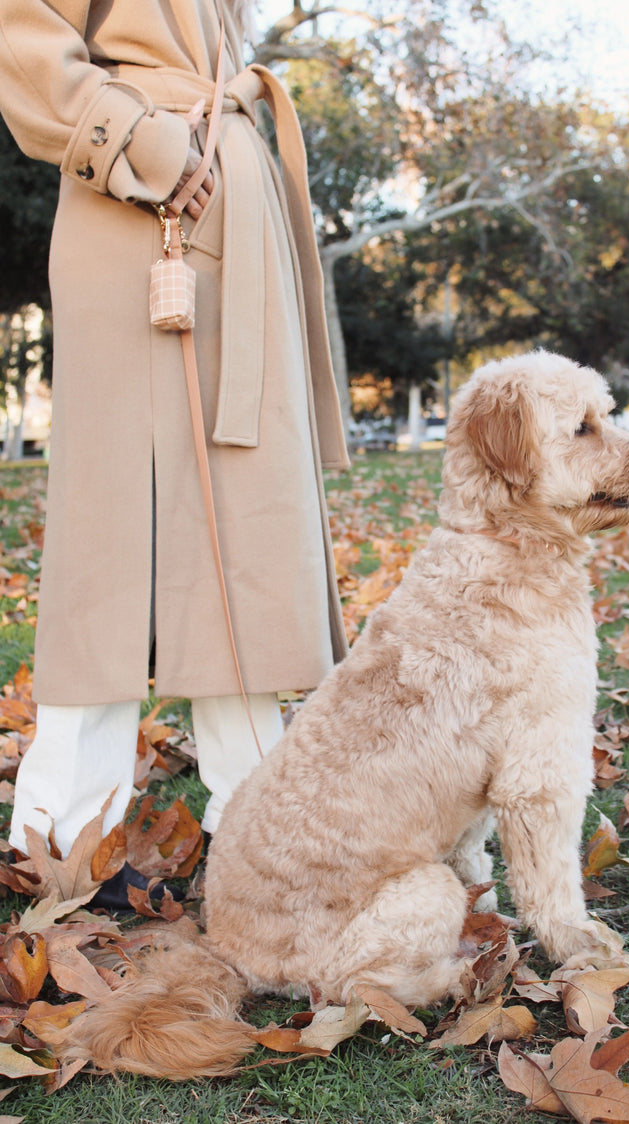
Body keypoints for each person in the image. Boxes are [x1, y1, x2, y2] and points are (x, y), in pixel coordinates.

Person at [0, 0, 349, 904]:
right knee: (109, 527)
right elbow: (21, 34)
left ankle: (260, 830)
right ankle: (65, 837)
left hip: (222, 199)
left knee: (242, 527)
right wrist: (148, 146)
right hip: (143, 212)